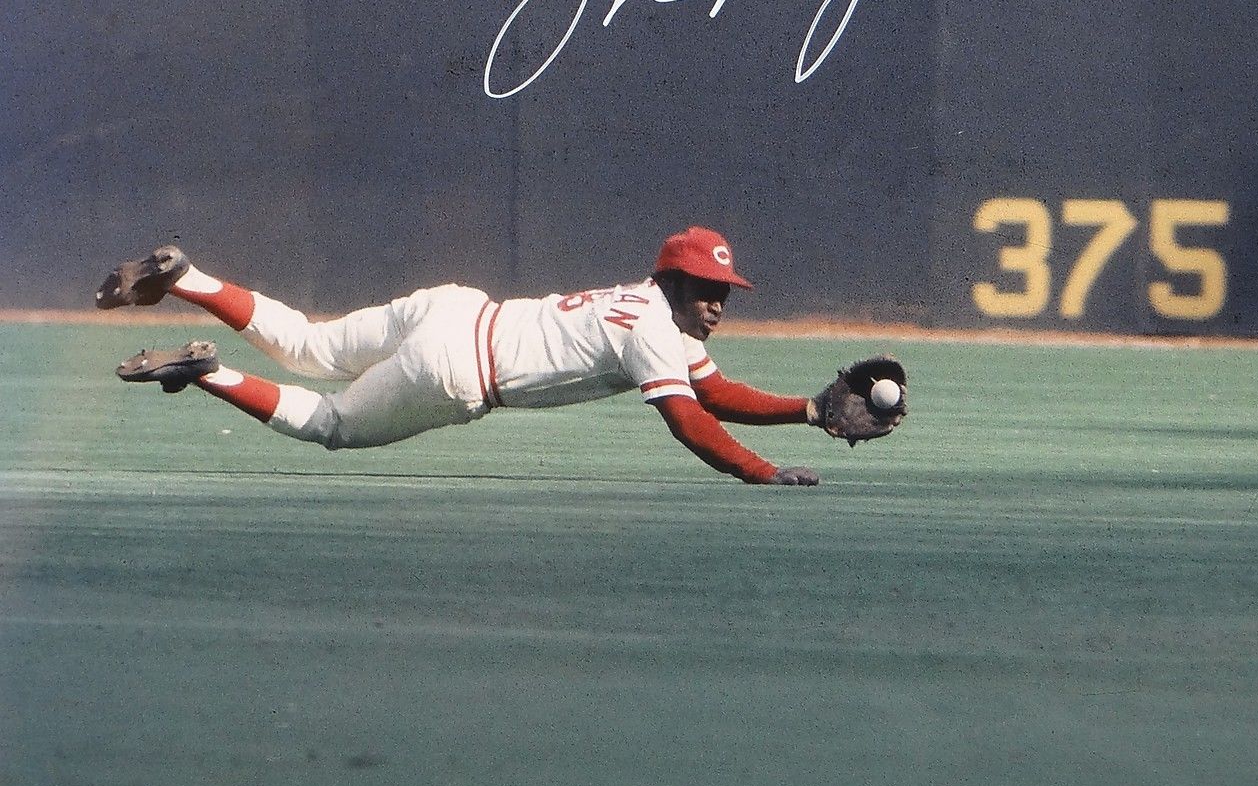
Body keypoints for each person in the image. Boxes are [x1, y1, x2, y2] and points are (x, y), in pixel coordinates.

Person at [97, 226, 823, 486]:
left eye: (724, 290)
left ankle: (186, 276)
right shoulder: (657, 330)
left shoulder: (641, 305)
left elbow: (716, 393)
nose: (718, 301)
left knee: (310, 344)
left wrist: (812, 412)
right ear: (671, 280)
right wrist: (759, 472)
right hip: (457, 369)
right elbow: (690, 421)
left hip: (455, 307)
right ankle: (207, 370)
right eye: (705, 287)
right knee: (330, 424)